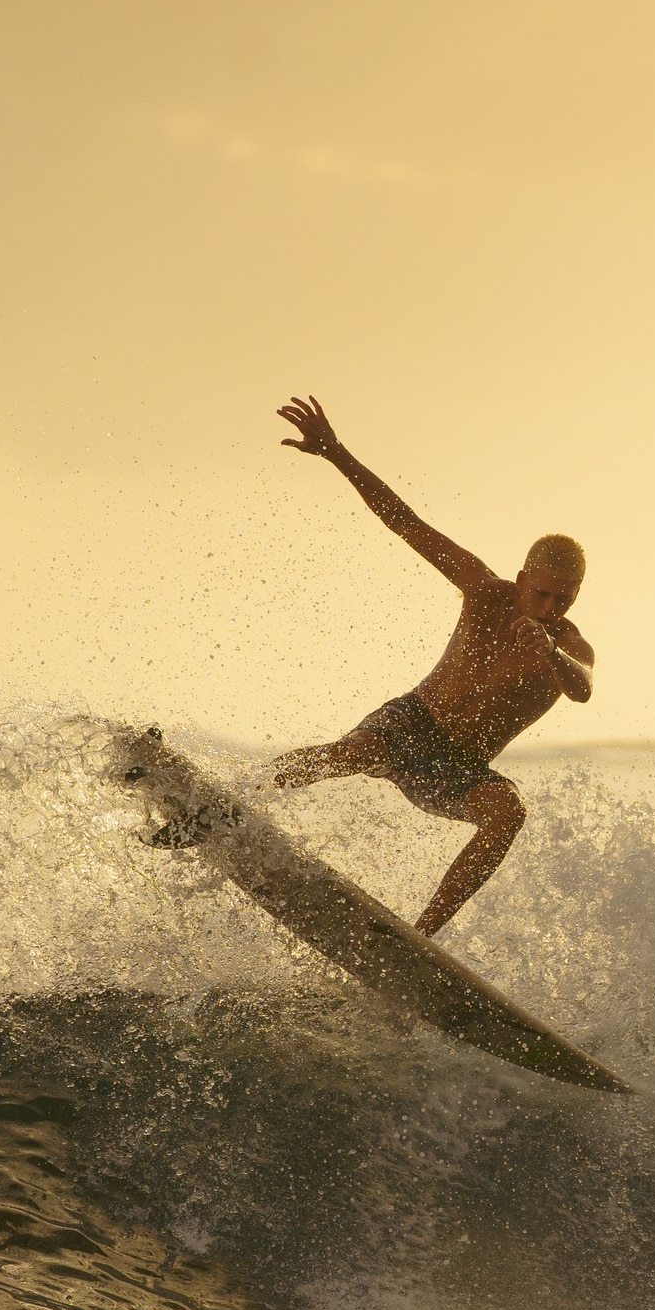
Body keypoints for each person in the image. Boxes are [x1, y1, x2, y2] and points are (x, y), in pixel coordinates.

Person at [256, 394, 595, 935]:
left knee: (508, 814)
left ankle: (419, 940)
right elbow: (406, 522)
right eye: (544, 594)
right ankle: (227, 804)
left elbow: (583, 688)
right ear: (523, 578)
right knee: (353, 752)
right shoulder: (484, 591)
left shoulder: (568, 648)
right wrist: (337, 453)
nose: (552, 608)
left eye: (565, 599)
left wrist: (550, 652)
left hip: (456, 768)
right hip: (412, 723)